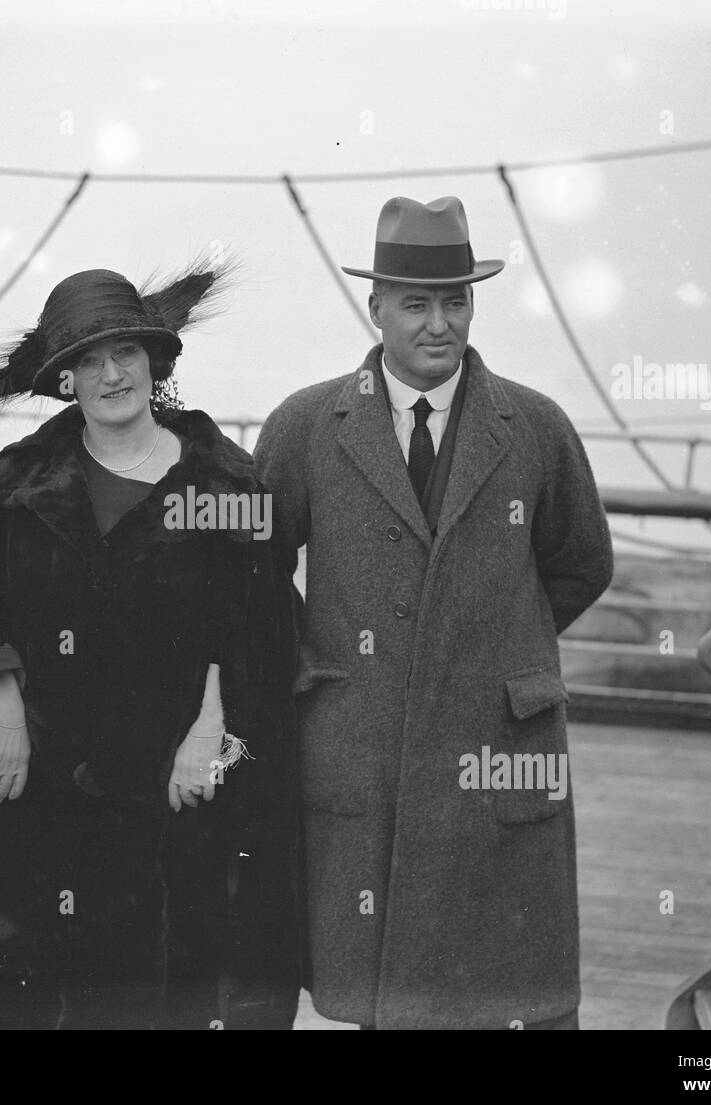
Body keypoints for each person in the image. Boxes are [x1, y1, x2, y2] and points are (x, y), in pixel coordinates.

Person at [0, 263, 302, 1029]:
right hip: (39, 787)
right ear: (66, 380)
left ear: (156, 363)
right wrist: (1, 700)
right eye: (90, 360)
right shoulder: (20, 482)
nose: (112, 373)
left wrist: (214, 728)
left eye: (127, 353)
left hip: (170, 791)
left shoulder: (226, 487)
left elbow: (260, 632)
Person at [254, 196, 613, 1030]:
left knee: (502, 986)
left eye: (456, 300)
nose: (439, 323)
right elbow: (251, 569)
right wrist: (317, 667)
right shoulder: (307, 425)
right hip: (359, 738)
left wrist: (490, 643)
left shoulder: (536, 425)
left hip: (498, 742)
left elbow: (582, 561)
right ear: (375, 306)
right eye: (416, 303)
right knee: (373, 983)